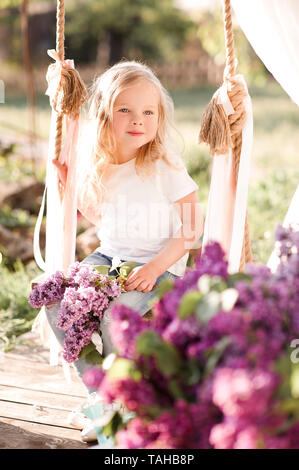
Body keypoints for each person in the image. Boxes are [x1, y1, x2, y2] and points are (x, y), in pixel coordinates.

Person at [48, 59, 204, 439]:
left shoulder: (165, 164)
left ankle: (119, 406)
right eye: (125, 110)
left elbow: (193, 228)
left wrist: (153, 269)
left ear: (160, 117)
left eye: (148, 112)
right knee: (56, 305)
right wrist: (67, 179)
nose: (138, 120)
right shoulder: (100, 163)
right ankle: (102, 399)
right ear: (105, 115)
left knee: (116, 318)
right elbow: (98, 214)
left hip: (160, 263)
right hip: (110, 258)